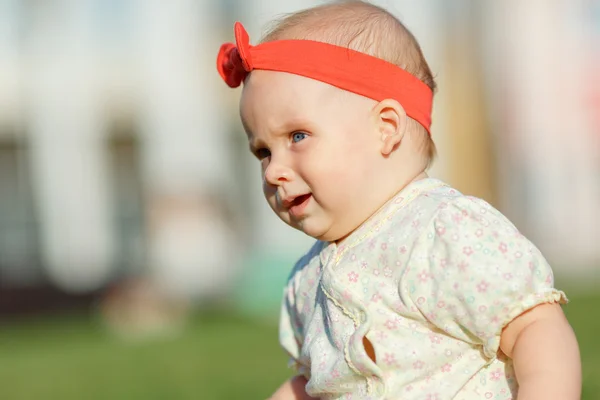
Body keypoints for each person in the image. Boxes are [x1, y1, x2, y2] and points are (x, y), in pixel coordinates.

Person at [216, 1, 581, 399]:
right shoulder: (308, 280)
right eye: (263, 152)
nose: (272, 171)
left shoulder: (444, 231)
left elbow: (533, 328)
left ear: (386, 128)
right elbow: (315, 385)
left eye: (297, 137)